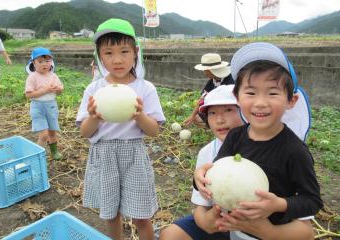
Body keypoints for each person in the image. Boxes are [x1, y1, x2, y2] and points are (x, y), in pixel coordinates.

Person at [194, 42, 323, 239]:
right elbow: (218, 174)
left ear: (291, 101)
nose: (260, 103)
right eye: (251, 93)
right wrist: (200, 178)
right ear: (237, 97)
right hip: (237, 232)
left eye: (272, 92)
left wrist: (278, 205)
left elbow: (312, 201)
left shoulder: (295, 151)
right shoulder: (235, 137)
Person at [76, 18, 165, 240]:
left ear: (135, 52)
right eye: (108, 53)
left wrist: (139, 116)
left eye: (124, 51)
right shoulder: (94, 89)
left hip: (134, 154)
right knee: (111, 214)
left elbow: (154, 131)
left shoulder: (145, 88)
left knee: (142, 215)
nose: (117, 60)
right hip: (103, 155)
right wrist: (94, 117)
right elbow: (85, 132)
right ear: (99, 56)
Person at [160, 84, 244, 240]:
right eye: (212, 113)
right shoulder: (206, 153)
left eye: (228, 110)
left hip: (256, 226)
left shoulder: (261, 148)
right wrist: (206, 222)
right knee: (171, 235)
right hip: (219, 220)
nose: (219, 120)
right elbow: (201, 207)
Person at [25, 47, 64, 160]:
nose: (44, 64)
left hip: (51, 106)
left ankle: (54, 152)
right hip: (38, 107)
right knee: (44, 135)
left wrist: (58, 89)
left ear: (51, 62)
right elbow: (28, 95)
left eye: (47, 61)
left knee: (52, 132)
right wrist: (44, 90)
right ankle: (36, 156)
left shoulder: (53, 75)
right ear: (34, 63)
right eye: (40, 61)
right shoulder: (32, 77)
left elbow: (60, 91)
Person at [183, 53, 234, 127]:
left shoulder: (231, 80)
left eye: (205, 70)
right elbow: (202, 99)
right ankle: (214, 125)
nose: (204, 73)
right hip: (217, 110)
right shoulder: (213, 81)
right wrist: (192, 116)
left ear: (210, 70)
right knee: (196, 118)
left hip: (230, 111)